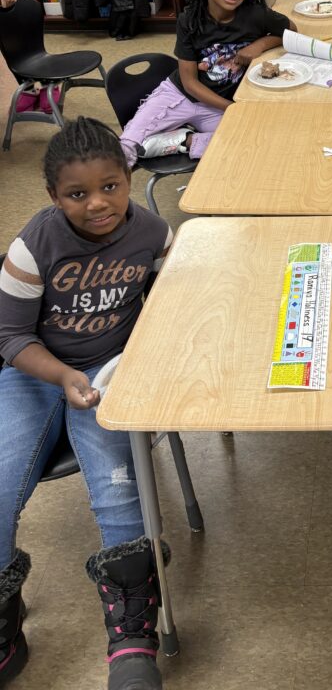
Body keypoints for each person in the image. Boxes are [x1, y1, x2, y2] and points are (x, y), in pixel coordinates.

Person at [0, 117, 173, 688]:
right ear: (54, 196)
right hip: (35, 372)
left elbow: (169, 303)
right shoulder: (33, 247)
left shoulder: (153, 233)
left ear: (128, 179)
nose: (98, 203)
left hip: (111, 371)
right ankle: (4, 614)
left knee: (118, 489)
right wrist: (62, 374)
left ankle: (131, 637)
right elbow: (9, 337)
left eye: (110, 186)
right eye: (77, 194)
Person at [120, 0, 295, 166]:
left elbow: (291, 31)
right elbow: (190, 83)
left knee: (255, 143)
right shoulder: (189, 20)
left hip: (216, 106)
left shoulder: (256, 14)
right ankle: (165, 139)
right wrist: (231, 108)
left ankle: (187, 141)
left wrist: (259, 45)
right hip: (181, 95)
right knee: (126, 148)